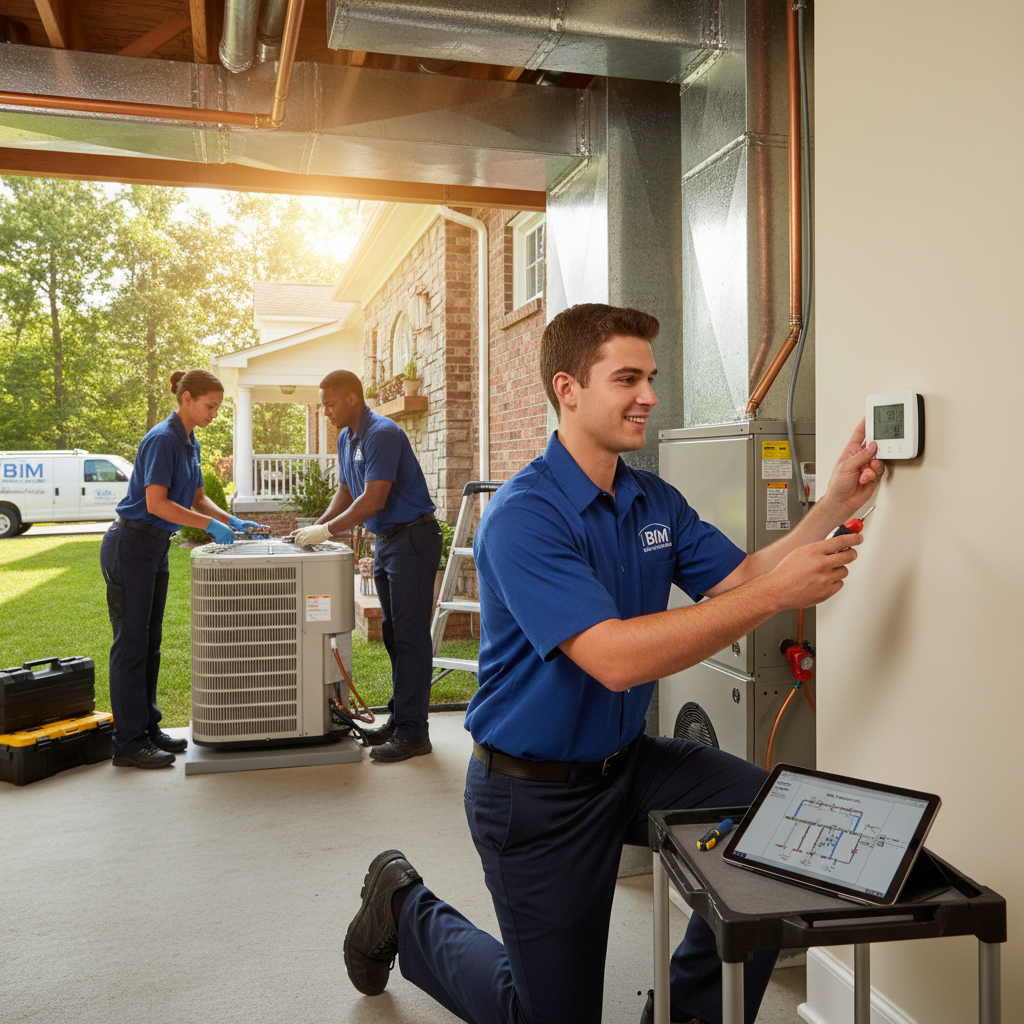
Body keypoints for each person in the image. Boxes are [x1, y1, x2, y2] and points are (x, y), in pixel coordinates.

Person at [342, 304, 885, 1024]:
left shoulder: (650, 498)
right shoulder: (524, 515)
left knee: (777, 818)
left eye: (651, 378)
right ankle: (403, 905)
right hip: (533, 797)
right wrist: (778, 595)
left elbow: (743, 576)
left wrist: (835, 504)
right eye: (627, 378)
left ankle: (692, 1013)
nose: (650, 396)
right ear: (567, 389)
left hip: (626, 766)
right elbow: (614, 660)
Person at [100, 369, 261, 770]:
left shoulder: (190, 441)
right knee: (131, 644)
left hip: (155, 548)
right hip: (131, 545)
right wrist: (210, 527)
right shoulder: (163, 439)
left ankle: (147, 727)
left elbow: (196, 496)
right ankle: (128, 743)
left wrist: (232, 519)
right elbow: (156, 503)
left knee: (149, 643)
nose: (213, 414)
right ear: (186, 399)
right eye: (209, 406)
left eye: (218, 408)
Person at [294, 369, 442, 764]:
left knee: (410, 637)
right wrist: (319, 526)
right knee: (394, 635)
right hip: (389, 542)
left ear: (353, 398)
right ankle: (401, 718)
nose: (326, 411)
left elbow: (374, 498)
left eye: (329, 403)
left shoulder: (382, 433)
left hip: (413, 538)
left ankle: (415, 734)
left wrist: (326, 530)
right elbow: (347, 490)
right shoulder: (347, 438)